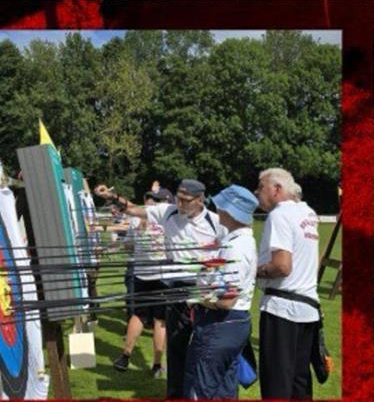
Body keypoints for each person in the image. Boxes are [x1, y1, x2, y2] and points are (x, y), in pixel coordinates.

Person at [94, 178, 222, 399]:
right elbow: (134, 210)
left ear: (200, 200)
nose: (180, 204)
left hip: (204, 289)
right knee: (176, 345)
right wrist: (112, 197)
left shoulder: (216, 222)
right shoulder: (167, 211)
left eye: (185, 200)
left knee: (204, 348)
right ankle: (175, 393)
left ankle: (201, 392)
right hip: (175, 286)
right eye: (178, 199)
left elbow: (226, 253)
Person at [184, 185, 258, 399]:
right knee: (223, 391)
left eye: (222, 208)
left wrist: (197, 299)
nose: (218, 212)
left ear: (231, 212)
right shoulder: (239, 240)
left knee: (201, 390)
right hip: (233, 325)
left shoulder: (236, 247)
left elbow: (227, 301)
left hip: (221, 325)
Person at [255, 167, 321, 400]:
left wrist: (255, 271)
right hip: (307, 310)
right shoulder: (308, 213)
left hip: (282, 311)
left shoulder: (279, 214)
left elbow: (282, 266)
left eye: (261, 187)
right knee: (299, 382)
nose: (257, 193)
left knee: (277, 384)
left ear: (277, 189)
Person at [115, 186, 172, 379]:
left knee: (138, 315)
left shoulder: (136, 219)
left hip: (140, 274)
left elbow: (128, 245)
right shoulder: (169, 221)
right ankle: (157, 365)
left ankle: (125, 355)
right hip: (161, 276)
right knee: (160, 321)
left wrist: (140, 242)